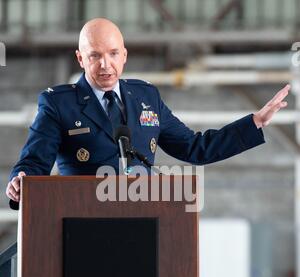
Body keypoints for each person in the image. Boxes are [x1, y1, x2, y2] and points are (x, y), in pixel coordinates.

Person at [6, 18, 290, 207]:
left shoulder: (146, 97)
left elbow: (195, 148)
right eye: (95, 56)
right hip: (80, 223)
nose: (105, 65)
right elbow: (33, 163)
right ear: (81, 58)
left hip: (145, 220)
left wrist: (255, 122)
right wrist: (20, 180)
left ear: (125, 55)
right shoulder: (58, 104)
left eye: (113, 54)